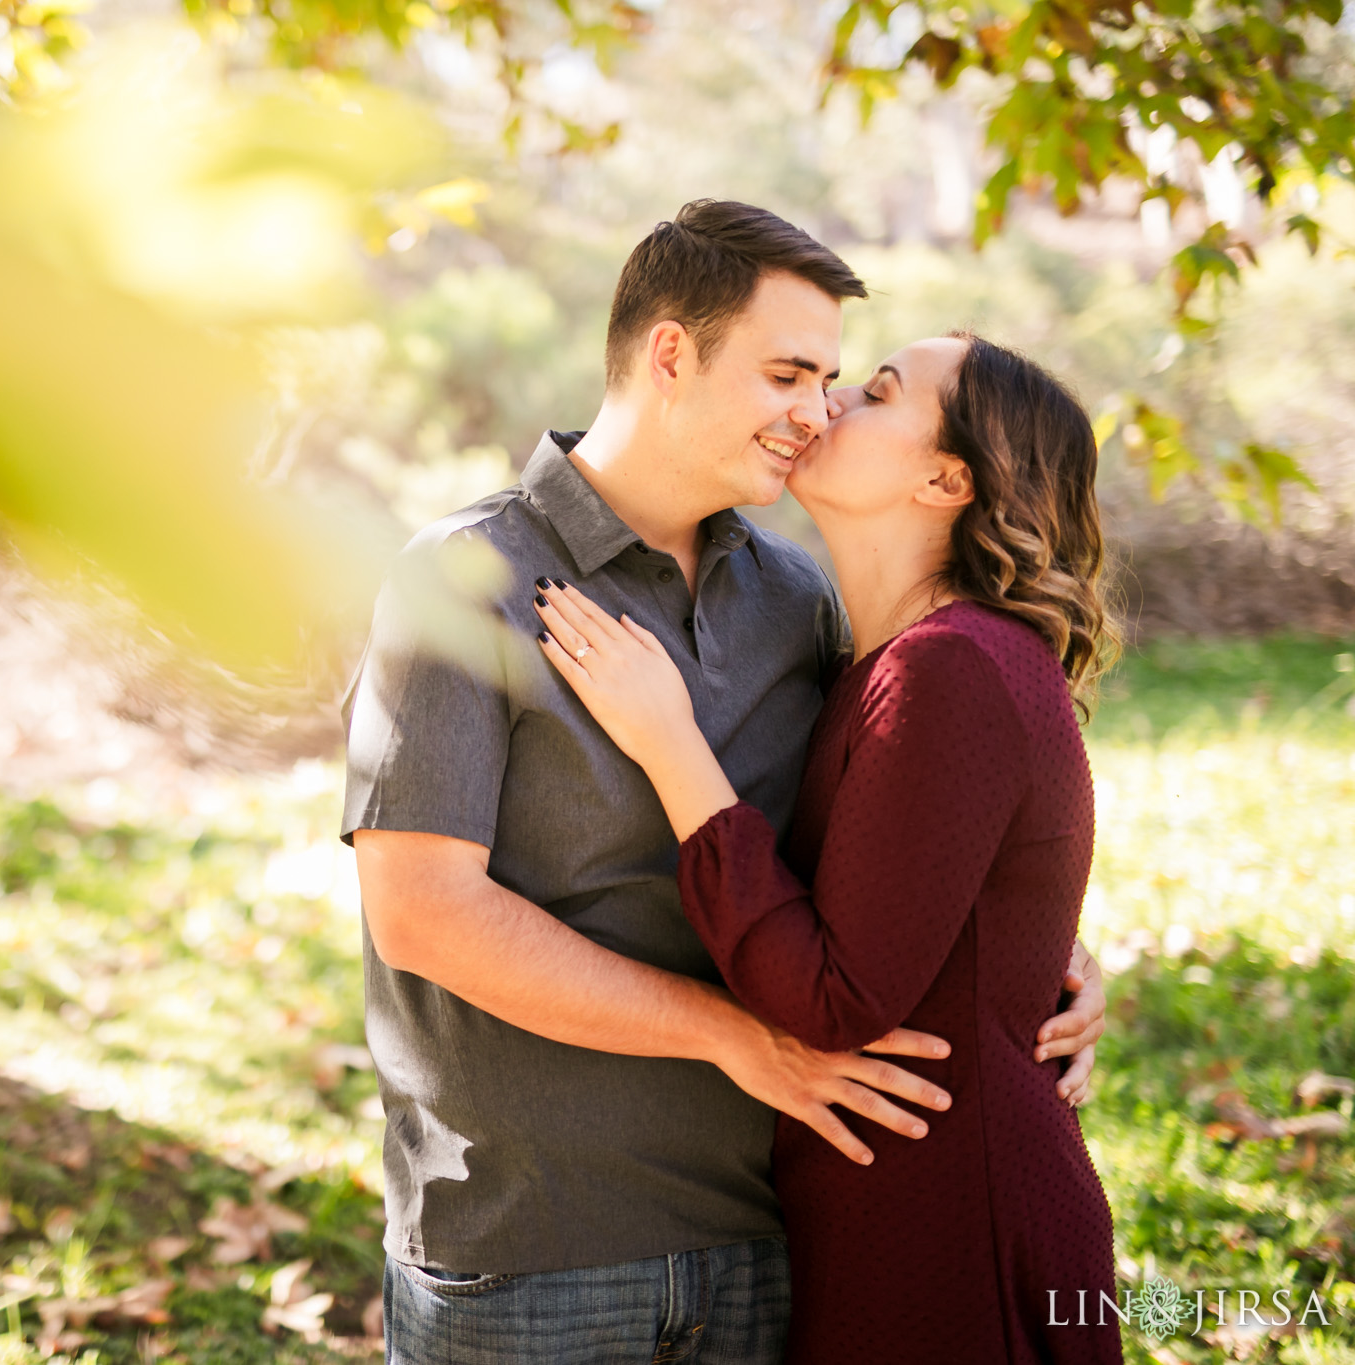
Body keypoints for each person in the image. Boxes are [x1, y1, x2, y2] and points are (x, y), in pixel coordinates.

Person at [341, 199, 1108, 1365]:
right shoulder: (465, 578)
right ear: (668, 355)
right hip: (534, 1248)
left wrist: (1030, 962)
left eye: (838, 382)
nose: (814, 414)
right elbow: (422, 913)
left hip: (769, 1239)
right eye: (788, 374)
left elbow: (890, 840)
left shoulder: (797, 605)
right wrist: (730, 1039)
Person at [530, 332, 1123, 1363]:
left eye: (878, 392)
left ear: (945, 478)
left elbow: (835, 1001)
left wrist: (669, 748)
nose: (829, 400)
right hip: (897, 1191)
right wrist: (1042, 965)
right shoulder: (896, 658)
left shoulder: (948, 667)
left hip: (945, 1225)